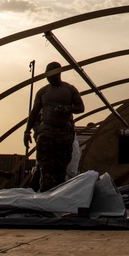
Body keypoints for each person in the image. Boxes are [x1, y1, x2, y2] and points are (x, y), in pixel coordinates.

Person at [24, 61, 84, 192]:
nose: (49, 78)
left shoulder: (69, 89)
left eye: (51, 75)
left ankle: (57, 193)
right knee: (46, 166)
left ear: (59, 73)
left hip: (64, 133)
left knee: (61, 168)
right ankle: (45, 192)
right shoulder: (43, 92)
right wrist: (27, 131)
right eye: (47, 75)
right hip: (47, 132)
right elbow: (34, 112)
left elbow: (81, 108)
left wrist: (68, 109)